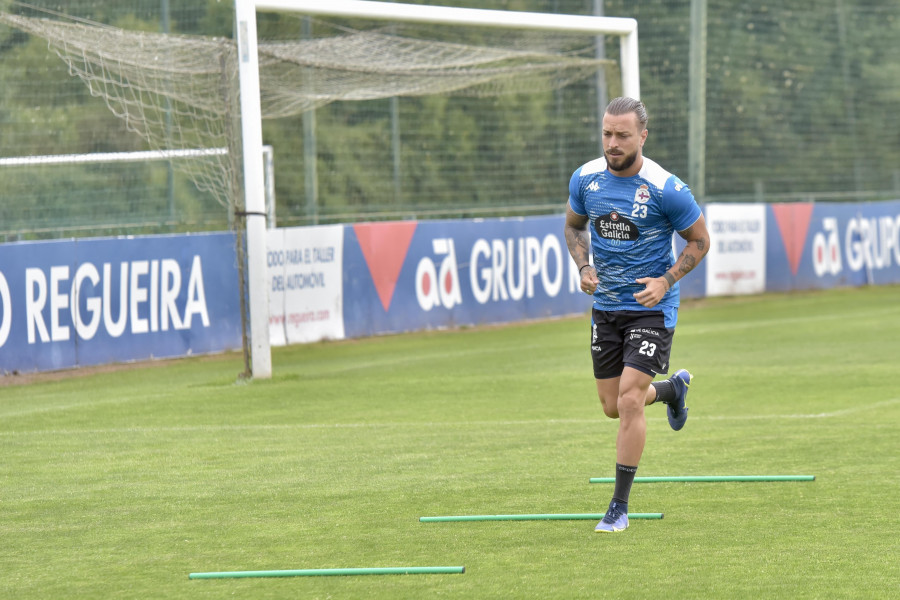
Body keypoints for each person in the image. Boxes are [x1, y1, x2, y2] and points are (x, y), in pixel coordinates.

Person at [564, 97, 710, 533]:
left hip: (652, 307)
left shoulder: (667, 188)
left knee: (629, 399)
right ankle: (670, 391)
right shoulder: (585, 179)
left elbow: (699, 242)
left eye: (623, 135)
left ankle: (618, 507)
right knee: (613, 406)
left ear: (642, 136)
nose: (613, 142)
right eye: (607, 133)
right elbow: (574, 226)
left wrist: (666, 281)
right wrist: (584, 266)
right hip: (606, 307)